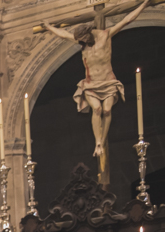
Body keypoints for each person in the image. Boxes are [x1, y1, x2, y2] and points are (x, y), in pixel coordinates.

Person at [42, 0, 149, 166]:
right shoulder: (82, 41)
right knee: (97, 109)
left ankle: (102, 141)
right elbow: (63, 34)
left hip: (108, 82)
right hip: (90, 84)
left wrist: (144, 4)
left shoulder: (105, 35)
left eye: (84, 40)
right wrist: (49, 27)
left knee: (107, 110)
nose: (82, 43)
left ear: (89, 34)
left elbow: (127, 20)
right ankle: (97, 142)